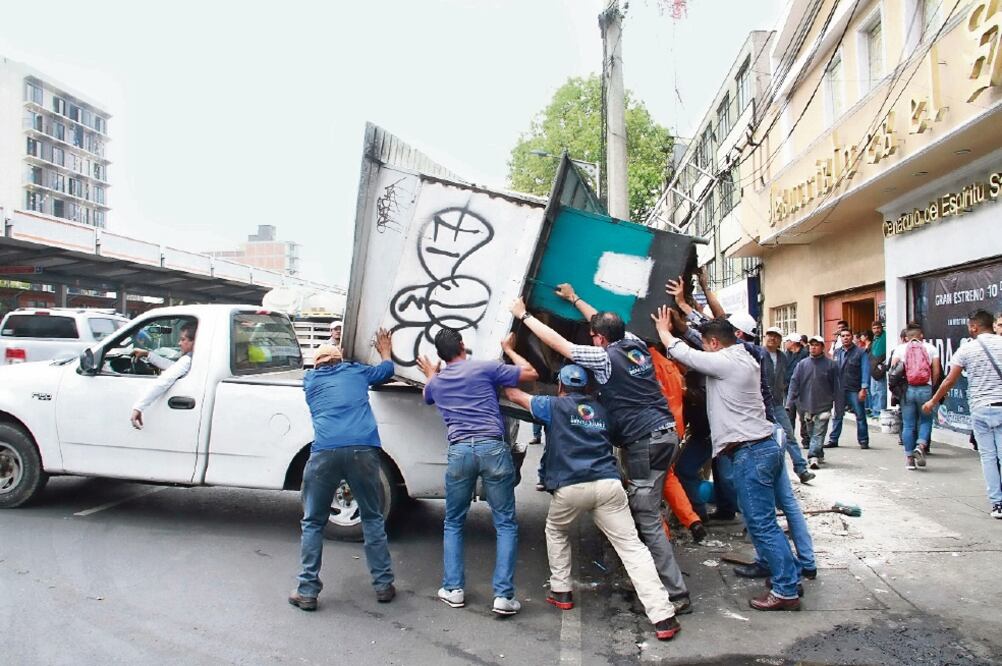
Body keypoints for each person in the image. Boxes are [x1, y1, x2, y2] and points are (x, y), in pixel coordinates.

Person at [510, 289, 692, 612]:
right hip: (666, 434)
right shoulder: (634, 343)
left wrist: (524, 316)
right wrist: (575, 298)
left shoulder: (605, 357)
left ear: (599, 339)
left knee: (647, 520)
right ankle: (662, 584)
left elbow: (561, 345)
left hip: (644, 442)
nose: (593, 340)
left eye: (594, 336)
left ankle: (675, 594)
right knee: (645, 513)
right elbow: (602, 323)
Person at [504, 364, 682, 640]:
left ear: (561, 386)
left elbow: (515, 395)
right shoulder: (602, 411)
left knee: (556, 531)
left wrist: (497, 370)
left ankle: (561, 590)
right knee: (632, 548)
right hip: (608, 485)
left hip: (571, 486)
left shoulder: (553, 405)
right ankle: (663, 616)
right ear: (587, 387)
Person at [653, 311, 805, 610]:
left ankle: (786, 590)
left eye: (705, 344)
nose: (704, 349)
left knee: (762, 523)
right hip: (760, 447)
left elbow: (685, 353)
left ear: (714, 344)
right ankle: (785, 574)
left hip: (752, 451)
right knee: (764, 521)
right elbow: (697, 347)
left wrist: (663, 331)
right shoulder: (742, 355)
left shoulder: (727, 361)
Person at [417, 329, 538, 616]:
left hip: (459, 451)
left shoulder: (437, 383)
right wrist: (509, 349)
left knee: (454, 522)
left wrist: (432, 374)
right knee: (505, 523)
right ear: (462, 346)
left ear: (440, 355)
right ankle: (503, 596)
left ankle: (454, 589)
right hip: (492, 447)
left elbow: (427, 395)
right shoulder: (484, 368)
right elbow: (531, 373)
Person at [289, 333, 397, 611]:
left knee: (313, 522)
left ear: (316, 365)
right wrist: (385, 352)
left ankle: (307, 591)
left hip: (325, 452)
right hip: (363, 449)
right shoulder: (356, 372)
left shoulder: (310, 381)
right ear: (341, 360)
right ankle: (383, 585)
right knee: (372, 517)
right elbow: (386, 371)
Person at [924, 310, 1002, 518]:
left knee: (988, 457)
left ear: (974, 327)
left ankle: (997, 504)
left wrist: (933, 401)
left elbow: (949, 380)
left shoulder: (967, 349)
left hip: (981, 409)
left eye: (969, 326)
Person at [763, 327, 813, 483]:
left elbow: (789, 376)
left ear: (780, 340)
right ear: (765, 337)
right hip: (759, 404)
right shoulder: (758, 354)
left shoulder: (783, 357)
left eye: (776, 336)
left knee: (788, 435)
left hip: (777, 403)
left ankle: (801, 469)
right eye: (770, 335)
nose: (772, 338)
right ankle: (767, 471)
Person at [889, 322, 941, 470]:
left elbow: (893, 371)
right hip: (925, 389)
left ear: (907, 337)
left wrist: (896, 391)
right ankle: (921, 445)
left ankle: (909, 459)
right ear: (921, 335)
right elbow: (936, 371)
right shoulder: (931, 348)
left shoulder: (900, 349)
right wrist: (932, 387)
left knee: (908, 424)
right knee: (925, 420)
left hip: (907, 390)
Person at [787, 335, 843, 470]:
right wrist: (789, 402)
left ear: (822, 347)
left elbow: (838, 387)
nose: (813, 347)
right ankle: (819, 452)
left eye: (816, 345)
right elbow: (794, 383)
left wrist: (839, 407)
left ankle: (812, 456)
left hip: (824, 405)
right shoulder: (802, 364)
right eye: (811, 345)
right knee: (812, 432)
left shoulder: (831, 365)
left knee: (818, 432)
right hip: (806, 406)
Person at [130, 323, 196, 430]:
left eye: (183, 339)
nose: (179, 343)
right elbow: (173, 367)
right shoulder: (195, 359)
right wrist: (148, 355)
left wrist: (138, 407)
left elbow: (164, 381)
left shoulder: (188, 360)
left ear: (194, 342)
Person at [828, 329, 871, 450]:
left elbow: (865, 370)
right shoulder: (837, 352)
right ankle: (833, 439)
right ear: (840, 338)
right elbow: (832, 371)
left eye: (848, 335)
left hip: (855, 389)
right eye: (843, 336)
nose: (845, 338)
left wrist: (864, 388)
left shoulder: (860, 352)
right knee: (837, 415)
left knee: (860, 415)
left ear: (852, 337)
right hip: (839, 389)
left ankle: (863, 440)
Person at [784, 333, 811, 450]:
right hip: (787, 389)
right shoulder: (786, 354)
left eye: (787, 341)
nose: (785, 343)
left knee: (803, 417)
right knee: (789, 416)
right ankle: (790, 440)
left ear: (793, 343)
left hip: (802, 390)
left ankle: (806, 439)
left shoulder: (805, 355)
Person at [869, 321, 888, 415]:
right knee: (873, 391)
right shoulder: (875, 339)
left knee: (881, 392)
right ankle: (875, 411)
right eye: (874, 328)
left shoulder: (885, 337)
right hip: (873, 369)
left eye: (878, 328)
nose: (876, 330)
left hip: (880, 369)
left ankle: (880, 412)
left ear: (882, 328)